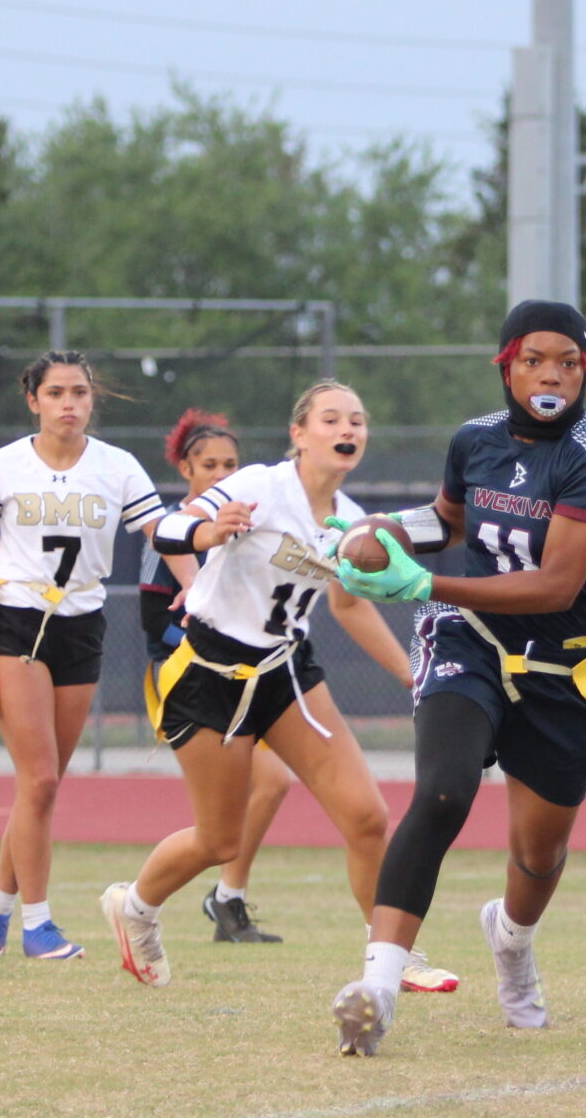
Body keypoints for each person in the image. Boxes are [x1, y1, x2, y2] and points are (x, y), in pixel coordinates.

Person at [327, 299, 586, 1048]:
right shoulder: (473, 437)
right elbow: (450, 518)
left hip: (562, 668)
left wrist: (421, 584)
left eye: (567, 361)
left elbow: (555, 586)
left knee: (537, 854)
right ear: (506, 364)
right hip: (467, 639)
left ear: (585, 370)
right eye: (534, 358)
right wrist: (383, 528)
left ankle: (510, 941)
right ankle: (377, 987)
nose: (551, 374)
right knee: (442, 792)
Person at [100, 381, 435, 991]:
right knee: (219, 839)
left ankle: (391, 955)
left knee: (367, 815)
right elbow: (171, 530)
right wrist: (208, 531)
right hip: (209, 668)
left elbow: (351, 607)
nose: (348, 430)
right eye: (332, 418)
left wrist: (412, 673)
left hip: (285, 670)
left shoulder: (353, 523)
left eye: (357, 421)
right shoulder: (259, 484)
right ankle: (136, 909)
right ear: (299, 434)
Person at [0, 351, 167, 960]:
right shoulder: (3, 465)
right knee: (40, 778)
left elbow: (165, 537)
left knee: (39, 788)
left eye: (79, 392)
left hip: (82, 625)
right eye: (56, 392)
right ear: (33, 400)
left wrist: (201, 596)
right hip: (16, 623)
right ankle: (38, 926)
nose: (69, 403)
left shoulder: (119, 469)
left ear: (92, 400)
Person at [142, 410, 290, 944]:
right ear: (186, 469)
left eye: (231, 464)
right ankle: (146, 904)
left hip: (251, 678)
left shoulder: (248, 524)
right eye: (209, 465)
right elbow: (166, 620)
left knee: (273, 785)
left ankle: (227, 898)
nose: (222, 473)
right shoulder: (175, 530)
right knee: (220, 825)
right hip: (195, 678)